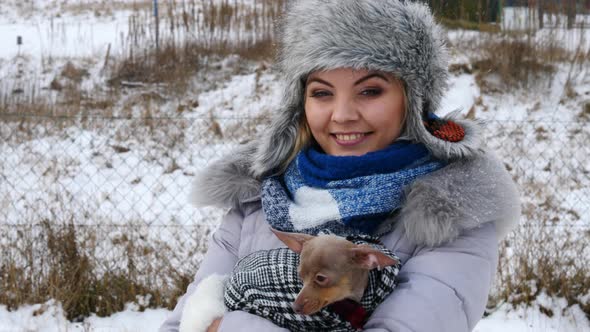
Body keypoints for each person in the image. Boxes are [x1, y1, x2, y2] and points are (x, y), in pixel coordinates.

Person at [159, 0, 521, 331]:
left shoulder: (447, 211)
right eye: (321, 92)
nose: (343, 115)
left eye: (370, 91)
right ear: (300, 103)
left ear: (412, 100)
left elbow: (201, 321)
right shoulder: (261, 197)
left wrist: (223, 327)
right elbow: (180, 325)